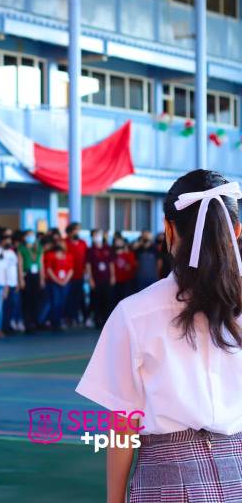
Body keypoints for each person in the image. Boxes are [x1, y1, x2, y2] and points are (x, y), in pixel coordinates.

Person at [77, 170, 242, 502]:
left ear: (169, 230)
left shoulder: (134, 312)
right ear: (236, 231)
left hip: (166, 479)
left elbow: (124, 422)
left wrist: (115, 498)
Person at [86, 230, 115, 329]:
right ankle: (97, 320)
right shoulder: (90, 250)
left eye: (99, 235)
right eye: (95, 235)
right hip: (96, 279)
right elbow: (88, 265)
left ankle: (107, 320)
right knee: (96, 300)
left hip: (106, 278)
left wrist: (113, 276)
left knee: (107, 300)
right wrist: (90, 279)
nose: (97, 237)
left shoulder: (107, 248)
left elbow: (111, 263)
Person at [18, 230, 44, 332]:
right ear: (24, 238)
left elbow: (41, 264)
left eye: (32, 236)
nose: (31, 238)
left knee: (36, 299)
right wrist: (21, 279)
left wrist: (42, 278)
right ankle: (27, 323)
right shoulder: (21, 248)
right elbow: (20, 265)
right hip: (27, 275)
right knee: (27, 300)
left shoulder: (39, 248)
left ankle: (35, 321)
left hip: (36, 275)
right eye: (28, 236)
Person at [45, 242, 74, 330]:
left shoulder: (69, 256)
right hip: (54, 283)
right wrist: (57, 281)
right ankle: (54, 322)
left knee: (62, 302)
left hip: (65, 282)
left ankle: (60, 320)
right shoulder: (50, 255)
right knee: (55, 302)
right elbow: (49, 269)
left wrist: (65, 280)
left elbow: (71, 269)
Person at [65, 223, 87, 326]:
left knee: (79, 297)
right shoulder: (64, 243)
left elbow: (87, 258)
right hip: (68, 276)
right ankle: (69, 317)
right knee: (68, 298)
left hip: (80, 274)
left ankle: (77, 317)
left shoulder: (83, 243)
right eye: (76, 230)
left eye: (79, 230)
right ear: (70, 232)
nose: (78, 232)